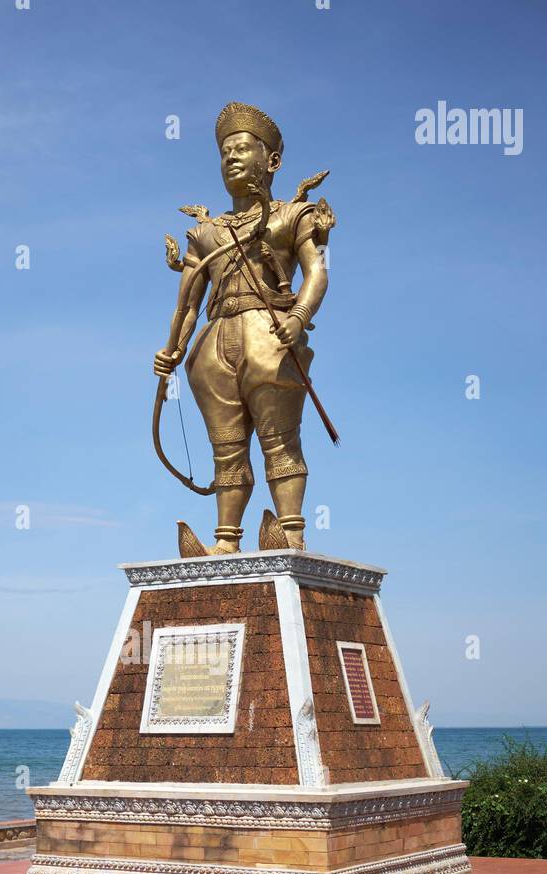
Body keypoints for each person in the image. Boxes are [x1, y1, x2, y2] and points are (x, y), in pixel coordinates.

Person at [153, 101, 334, 553]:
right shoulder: (206, 233)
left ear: (271, 161)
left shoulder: (291, 216)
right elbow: (188, 303)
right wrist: (172, 348)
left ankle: (290, 532)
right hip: (214, 344)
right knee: (227, 449)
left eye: (242, 148)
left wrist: (298, 317)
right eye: (224, 151)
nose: (231, 157)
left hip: (269, 332)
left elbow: (317, 274)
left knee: (279, 440)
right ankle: (226, 539)